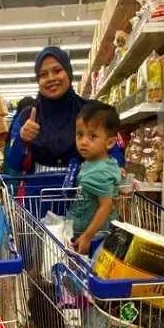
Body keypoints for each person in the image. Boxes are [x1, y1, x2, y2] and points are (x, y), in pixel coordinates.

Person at [5, 46, 123, 173]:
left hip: (86, 182)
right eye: (43, 75)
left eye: (57, 71)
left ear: (68, 72)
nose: (51, 78)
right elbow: (13, 163)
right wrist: (22, 139)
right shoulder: (28, 115)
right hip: (38, 184)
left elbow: (116, 153)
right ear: (38, 81)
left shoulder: (93, 112)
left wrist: (108, 171)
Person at [69, 101, 122, 255]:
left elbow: (105, 206)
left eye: (92, 136)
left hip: (96, 236)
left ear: (110, 142)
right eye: (80, 134)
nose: (83, 142)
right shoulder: (96, 162)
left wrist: (87, 237)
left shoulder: (98, 172)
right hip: (91, 231)